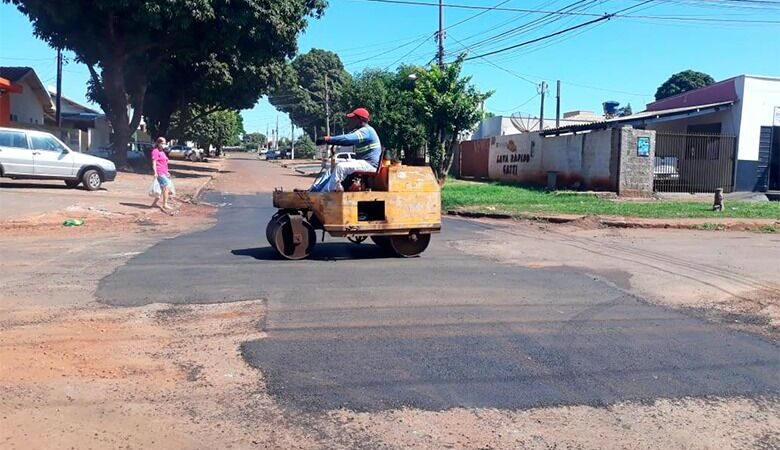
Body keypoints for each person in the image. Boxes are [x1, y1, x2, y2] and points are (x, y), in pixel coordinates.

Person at [316, 107, 381, 192]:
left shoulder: (366, 131)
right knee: (330, 170)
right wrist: (331, 141)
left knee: (340, 167)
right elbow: (346, 142)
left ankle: (324, 194)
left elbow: (347, 138)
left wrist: (328, 139)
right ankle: (314, 190)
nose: (350, 121)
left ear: (360, 119)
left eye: (352, 119)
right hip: (364, 163)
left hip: (370, 164)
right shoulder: (361, 131)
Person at [151, 137, 173, 211]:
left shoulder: (162, 152)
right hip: (159, 172)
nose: (164, 144)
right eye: (163, 143)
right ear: (158, 143)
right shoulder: (155, 151)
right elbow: (154, 162)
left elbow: (164, 163)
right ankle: (165, 204)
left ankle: (154, 203)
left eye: (165, 143)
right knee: (165, 187)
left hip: (164, 172)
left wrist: (167, 172)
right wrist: (155, 172)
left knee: (162, 189)